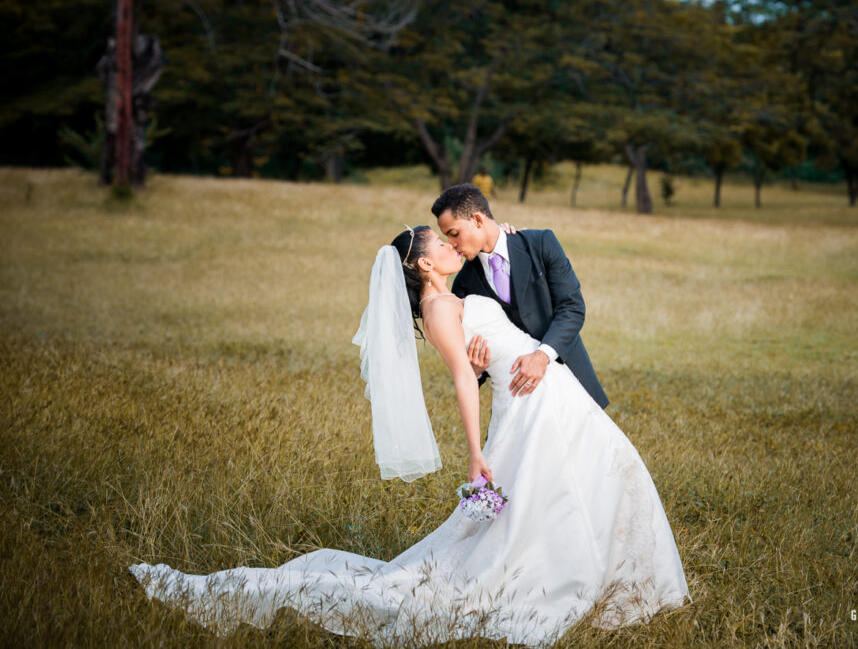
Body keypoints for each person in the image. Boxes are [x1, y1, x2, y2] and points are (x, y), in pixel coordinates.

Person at [129, 226, 689, 646]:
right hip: (526, 407)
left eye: (453, 236)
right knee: (549, 502)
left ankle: (618, 579)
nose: (452, 245)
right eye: (442, 242)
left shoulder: (455, 293)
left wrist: (485, 348)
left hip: (550, 394)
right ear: (423, 260)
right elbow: (461, 385)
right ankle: (568, 580)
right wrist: (475, 453)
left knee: (601, 475)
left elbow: (495, 334)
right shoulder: (440, 304)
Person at [433, 183, 609, 409]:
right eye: (447, 237)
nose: (452, 245)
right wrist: (475, 372)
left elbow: (572, 308)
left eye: (454, 234)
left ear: (478, 220)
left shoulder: (540, 243)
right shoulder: (464, 285)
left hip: (571, 379)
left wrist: (541, 356)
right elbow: (473, 358)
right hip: (519, 399)